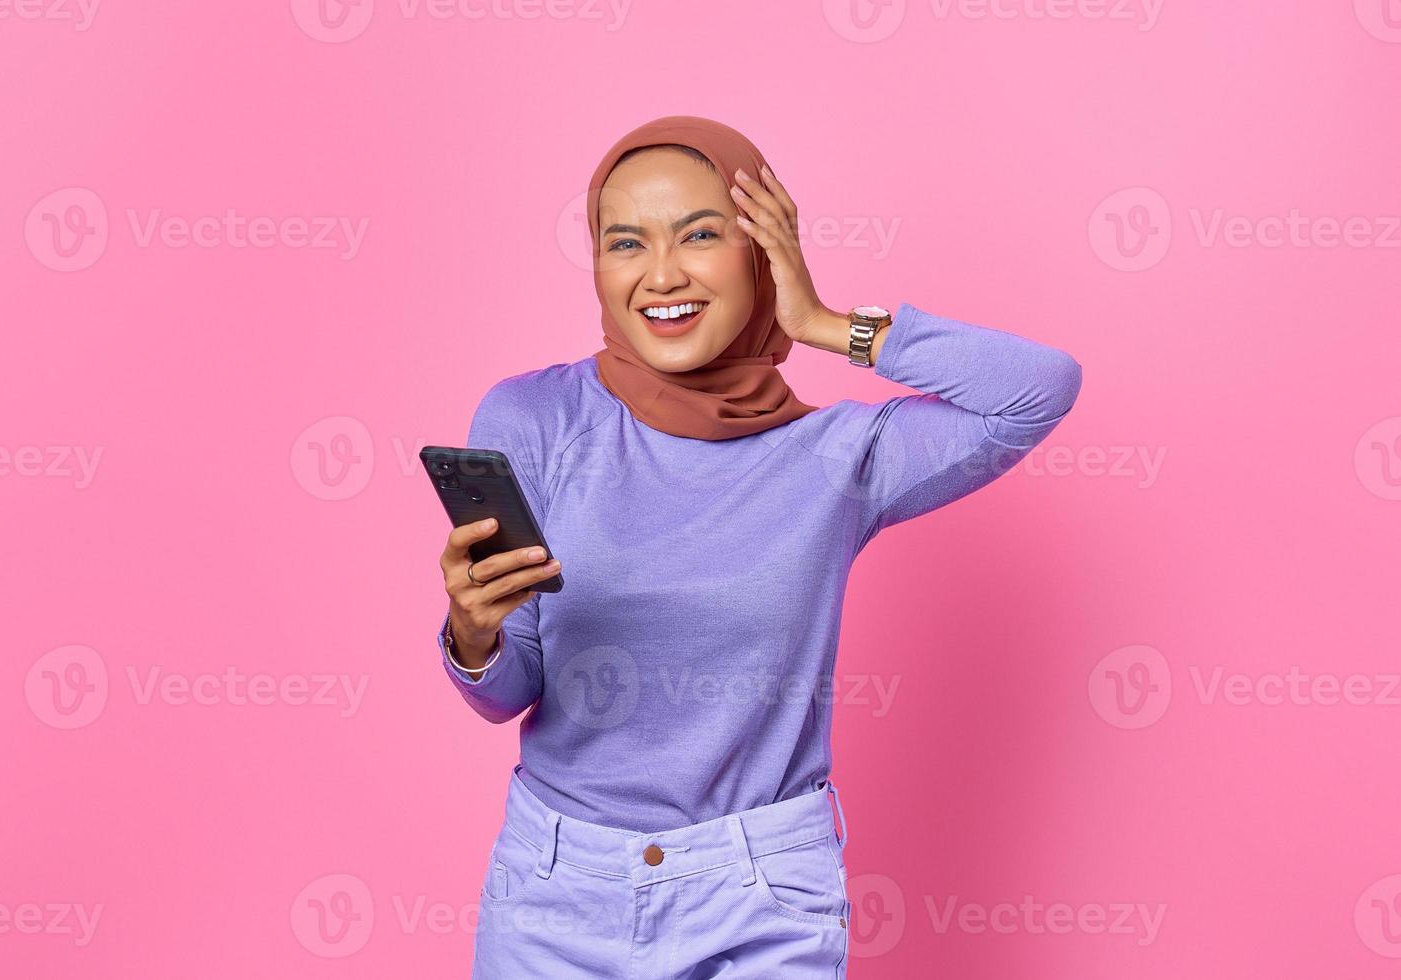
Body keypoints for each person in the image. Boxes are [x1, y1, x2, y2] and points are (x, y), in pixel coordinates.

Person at [434, 115, 1083, 978]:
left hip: (760, 892)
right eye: (624, 242)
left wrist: (820, 321)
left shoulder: (838, 459)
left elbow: (1036, 390)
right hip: (557, 889)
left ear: (761, 253)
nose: (661, 275)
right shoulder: (530, 418)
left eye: (700, 235)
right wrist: (471, 635)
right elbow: (503, 697)